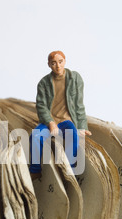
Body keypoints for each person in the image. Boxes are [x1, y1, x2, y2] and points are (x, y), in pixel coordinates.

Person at [29, 50, 92, 180]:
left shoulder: (75, 78)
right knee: (35, 136)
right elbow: (41, 106)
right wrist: (51, 123)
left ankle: (68, 169)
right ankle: (35, 170)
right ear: (49, 65)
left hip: (67, 121)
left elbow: (79, 104)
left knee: (73, 136)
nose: (57, 66)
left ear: (65, 61)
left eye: (60, 61)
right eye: (53, 63)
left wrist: (82, 126)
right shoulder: (43, 83)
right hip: (49, 122)